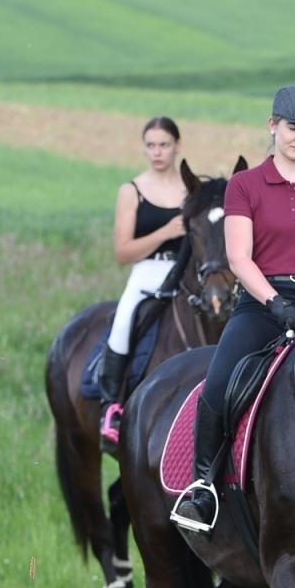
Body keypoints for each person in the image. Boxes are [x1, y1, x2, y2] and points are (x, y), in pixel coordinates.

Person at [171, 86, 295, 532]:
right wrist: (274, 303)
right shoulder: (245, 186)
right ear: (273, 126)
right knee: (219, 385)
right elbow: (238, 258)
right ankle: (203, 487)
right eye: (294, 128)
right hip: (260, 304)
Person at [96, 117, 197, 439]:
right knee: (123, 322)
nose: (157, 152)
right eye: (150, 145)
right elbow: (123, 252)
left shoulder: (193, 189)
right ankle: (111, 406)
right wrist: (165, 232)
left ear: (177, 146)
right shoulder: (132, 190)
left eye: (163, 145)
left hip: (187, 273)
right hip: (147, 271)